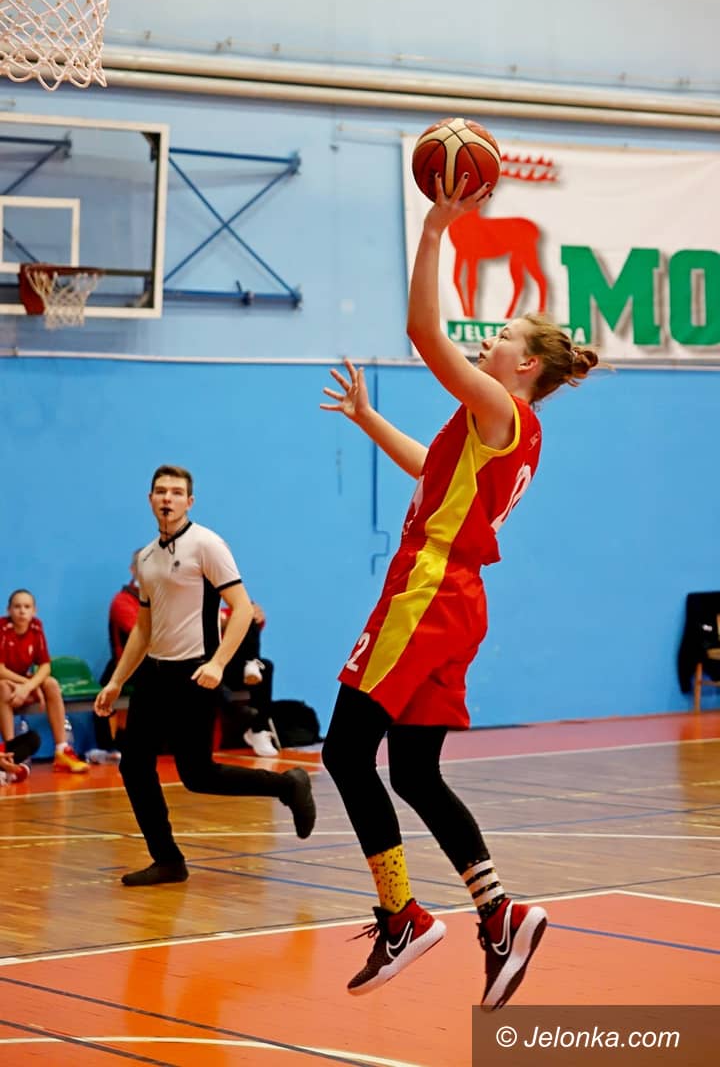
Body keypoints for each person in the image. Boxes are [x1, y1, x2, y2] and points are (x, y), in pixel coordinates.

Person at [319, 175, 598, 1010]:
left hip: (429, 591)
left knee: (345, 752)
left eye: (505, 334)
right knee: (412, 771)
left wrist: (436, 229)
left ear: (529, 364)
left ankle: (403, 915)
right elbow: (430, 473)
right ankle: (499, 913)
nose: (492, 338)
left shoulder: (502, 407)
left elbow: (422, 332)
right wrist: (370, 421)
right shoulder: (497, 429)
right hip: (457, 600)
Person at [94, 464, 316, 887]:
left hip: (196, 672)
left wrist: (217, 664)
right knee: (135, 767)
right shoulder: (147, 558)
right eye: (161, 491)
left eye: (176, 492)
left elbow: (244, 609)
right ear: (150, 499)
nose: (168, 498)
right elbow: (143, 628)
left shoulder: (207, 545)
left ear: (189, 501)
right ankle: (168, 860)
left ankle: (287, 785)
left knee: (197, 775)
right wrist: (117, 681)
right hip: (154, 675)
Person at [0, 590, 89, 773]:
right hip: (5, 681)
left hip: (24, 682)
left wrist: (28, 686)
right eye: (17, 606)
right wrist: (27, 686)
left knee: (51, 684)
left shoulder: (36, 627)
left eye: (27, 607)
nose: (22, 611)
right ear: (9, 610)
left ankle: (62, 750)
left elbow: (45, 666)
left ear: (34, 610)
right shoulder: (3, 628)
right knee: (3, 688)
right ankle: (12, 752)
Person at [221, 600, 278, 757]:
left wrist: (250, 613)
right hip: (213, 666)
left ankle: (259, 730)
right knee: (244, 614)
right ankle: (251, 662)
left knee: (265, 667)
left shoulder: (236, 610)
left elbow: (256, 620)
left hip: (237, 669)